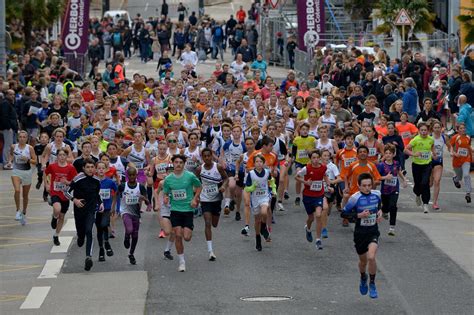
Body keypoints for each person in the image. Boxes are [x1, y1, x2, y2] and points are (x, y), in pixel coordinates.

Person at [341, 173, 383, 299]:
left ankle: (372, 283)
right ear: (359, 186)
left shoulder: (377, 194)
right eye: (364, 186)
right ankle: (363, 276)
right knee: (363, 261)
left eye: (369, 185)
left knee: (371, 257)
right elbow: (343, 214)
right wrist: (359, 216)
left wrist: (380, 212)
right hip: (360, 234)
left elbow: (379, 207)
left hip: (373, 231)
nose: (367, 188)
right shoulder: (355, 198)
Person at [163, 154, 202, 272]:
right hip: (175, 210)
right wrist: (165, 198)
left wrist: (195, 198)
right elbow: (165, 192)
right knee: (178, 235)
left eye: (181, 162)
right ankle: (181, 261)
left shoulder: (190, 176)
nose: (178, 164)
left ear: (184, 164)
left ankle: (189, 229)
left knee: (187, 237)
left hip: (188, 210)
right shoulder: (168, 179)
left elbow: (199, 186)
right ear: (173, 164)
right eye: (176, 162)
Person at [65, 159, 102, 271]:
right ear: (83, 168)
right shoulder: (78, 179)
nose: (90, 169)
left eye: (92, 167)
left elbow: (97, 195)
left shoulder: (97, 180)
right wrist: (74, 199)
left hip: (91, 210)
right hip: (79, 210)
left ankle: (88, 257)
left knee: (89, 231)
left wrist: (100, 204)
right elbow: (66, 192)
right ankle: (80, 237)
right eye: (88, 167)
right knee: (81, 233)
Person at [195, 148, 229, 260]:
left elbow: (226, 179)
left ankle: (217, 215)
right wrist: (196, 196)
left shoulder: (217, 167)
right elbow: (196, 183)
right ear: (202, 158)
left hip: (216, 198)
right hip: (205, 199)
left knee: (214, 224)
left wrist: (223, 186)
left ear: (211, 156)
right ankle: (210, 251)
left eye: (208, 156)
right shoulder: (199, 169)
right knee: (208, 223)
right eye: (204, 156)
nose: (207, 158)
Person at [295, 150, 332, 250]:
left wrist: (329, 184)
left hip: (319, 195)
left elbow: (325, 175)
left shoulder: (324, 167)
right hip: (307, 196)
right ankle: (308, 228)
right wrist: (305, 182)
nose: (315, 160)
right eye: (313, 158)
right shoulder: (306, 168)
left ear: (320, 158)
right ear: (310, 159)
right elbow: (296, 177)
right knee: (311, 218)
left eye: (317, 158)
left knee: (319, 215)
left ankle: (318, 240)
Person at [44, 148, 77, 246]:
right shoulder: (52, 166)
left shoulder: (71, 168)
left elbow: (74, 182)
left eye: (64, 155)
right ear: (57, 156)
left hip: (65, 195)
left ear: (67, 157)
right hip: (55, 192)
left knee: (62, 217)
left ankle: (56, 235)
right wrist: (46, 185)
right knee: (57, 209)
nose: (62, 157)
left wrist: (67, 182)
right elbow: (45, 174)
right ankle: (54, 217)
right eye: (60, 155)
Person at [244, 154, 276, 251]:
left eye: (261, 162)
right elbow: (246, 188)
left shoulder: (267, 172)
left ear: (264, 163)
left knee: (264, 212)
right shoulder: (251, 174)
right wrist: (252, 187)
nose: (259, 164)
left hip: (264, 196)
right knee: (256, 220)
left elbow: (272, 182)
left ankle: (263, 226)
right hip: (255, 199)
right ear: (254, 163)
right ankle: (258, 238)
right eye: (257, 162)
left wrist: (273, 190)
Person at [404, 122, 437, 213]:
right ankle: (418, 195)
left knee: (425, 183)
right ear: (419, 131)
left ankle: (425, 204)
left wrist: (434, 153)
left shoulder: (431, 139)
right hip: (416, 165)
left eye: (425, 130)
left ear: (428, 131)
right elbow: (405, 150)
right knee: (418, 184)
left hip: (427, 164)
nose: (423, 132)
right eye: (422, 130)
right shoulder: (415, 140)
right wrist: (414, 154)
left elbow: (432, 147)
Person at [118, 167, 149, 265]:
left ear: (136, 175)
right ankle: (127, 236)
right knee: (129, 229)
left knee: (135, 235)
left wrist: (143, 198)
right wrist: (114, 207)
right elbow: (116, 195)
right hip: (125, 211)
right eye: (130, 175)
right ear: (127, 176)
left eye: (133, 175)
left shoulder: (140, 187)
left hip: (136, 213)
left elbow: (148, 202)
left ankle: (131, 254)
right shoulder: (123, 186)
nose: (132, 177)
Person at [376, 144, 407, 236]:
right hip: (385, 191)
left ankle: (392, 227)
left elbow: (398, 172)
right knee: (386, 207)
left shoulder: (396, 163)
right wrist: (385, 177)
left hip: (394, 189)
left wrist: (404, 179)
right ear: (384, 155)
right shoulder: (381, 165)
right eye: (386, 153)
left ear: (394, 154)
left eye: (390, 153)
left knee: (393, 206)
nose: (388, 155)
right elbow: (377, 177)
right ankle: (385, 211)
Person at [9, 130, 37, 225]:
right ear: (18, 138)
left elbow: (35, 161)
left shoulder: (30, 148)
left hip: (27, 172)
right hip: (16, 171)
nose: (22, 138)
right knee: (17, 190)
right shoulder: (14, 146)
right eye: (20, 137)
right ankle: (17, 210)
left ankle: (24, 212)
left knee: (25, 195)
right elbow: (11, 155)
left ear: (27, 138)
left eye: (24, 137)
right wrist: (9, 162)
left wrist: (28, 159)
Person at [96, 161, 118, 261]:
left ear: (106, 170)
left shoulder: (110, 182)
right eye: (99, 168)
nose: (101, 170)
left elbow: (117, 191)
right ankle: (101, 250)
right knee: (99, 229)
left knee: (104, 224)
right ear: (96, 170)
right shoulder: (94, 181)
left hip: (107, 208)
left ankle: (106, 242)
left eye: (102, 168)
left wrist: (114, 205)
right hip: (96, 209)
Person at [450, 123, 472, 203]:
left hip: (466, 159)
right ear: (457, 130)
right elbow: (451, 147)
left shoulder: (468, 137)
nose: (463, 130)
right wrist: (454, 153)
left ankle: (468, 193)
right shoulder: (455, 138)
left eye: (464, 128)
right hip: (456, 161)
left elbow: (468, 146)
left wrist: (472, 151)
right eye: (461, 128)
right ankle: (455, 179)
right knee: (459, 177)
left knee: (466, 175)